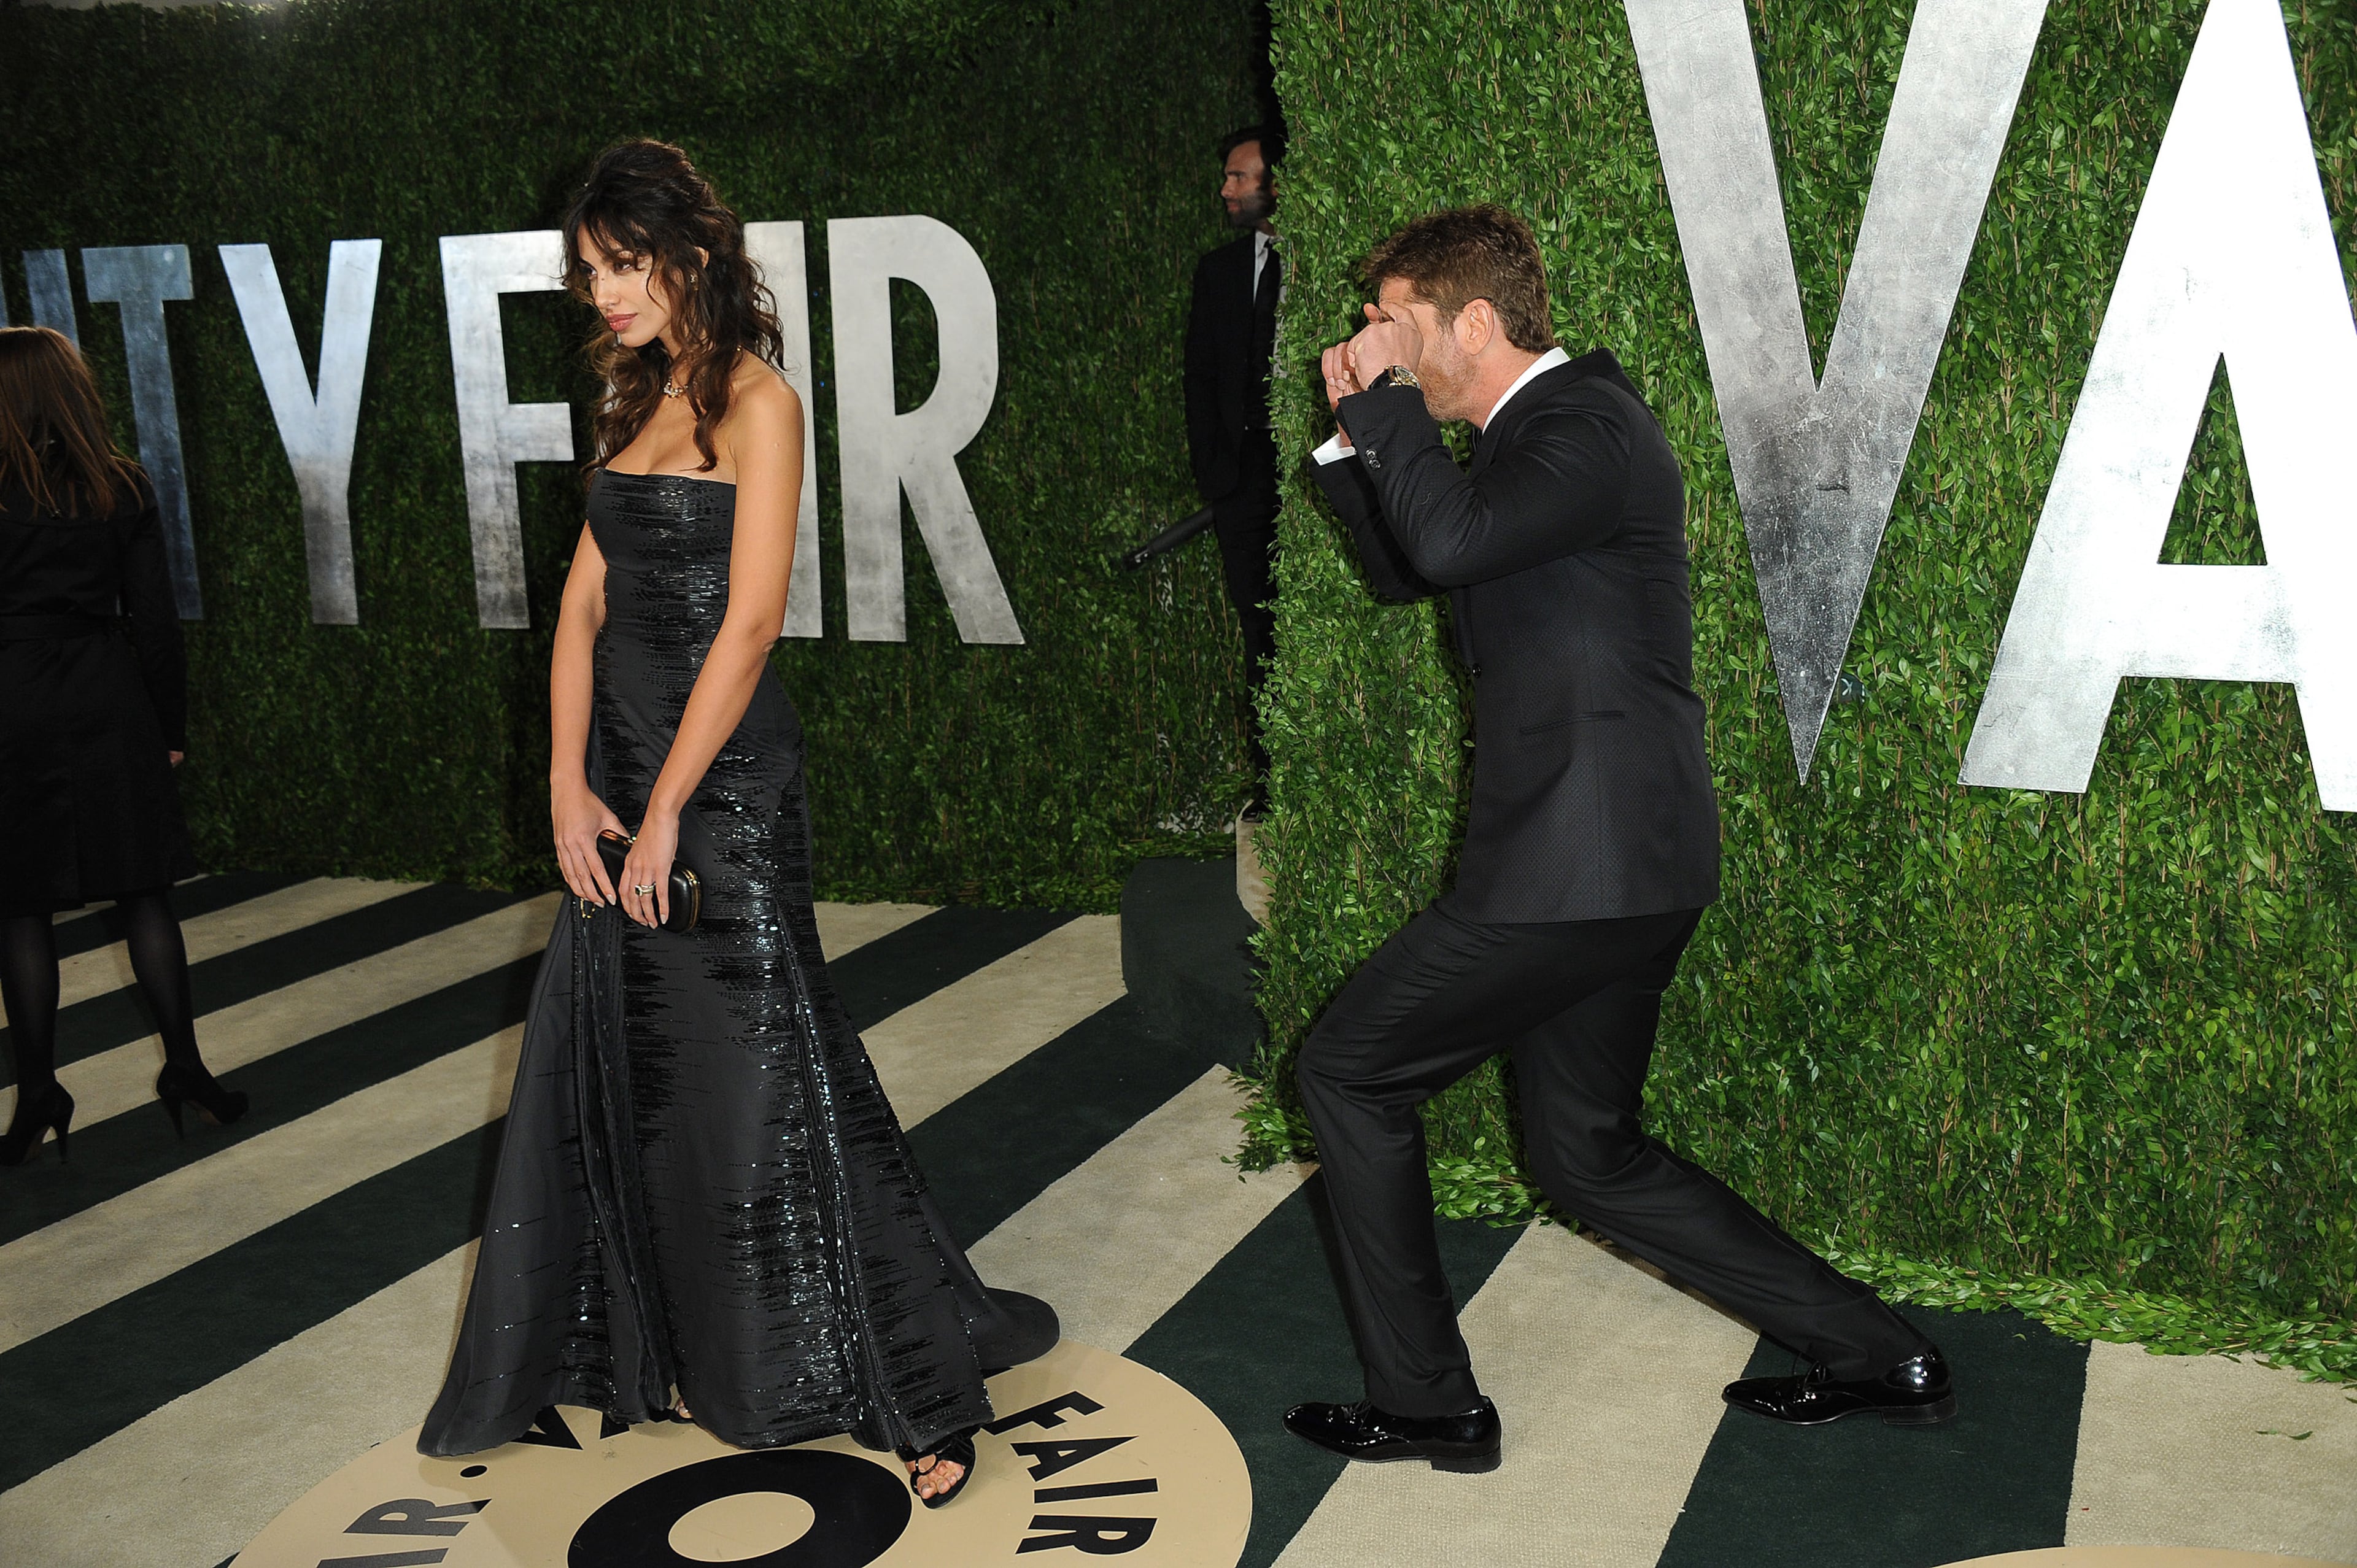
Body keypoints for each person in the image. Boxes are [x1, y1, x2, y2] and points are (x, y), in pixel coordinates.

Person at [420, 141, 1056, 1506]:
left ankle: (910, 1386)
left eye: (622, 266)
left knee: (775, 1066)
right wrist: (565, 780)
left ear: (690, 255)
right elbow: (580, 607)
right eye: (589, 273)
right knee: (656, 1072)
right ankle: (691, 1347)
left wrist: (664, 810)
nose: (603, 293)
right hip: (621, 775)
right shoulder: (632, 399)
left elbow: (753, 621)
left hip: (726, 790)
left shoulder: (763, 404)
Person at [1285, 206, 1951, 1472]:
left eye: (1395, 319)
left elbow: (1449, 539)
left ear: (1474, 324)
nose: (1374, 338)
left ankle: (1428, 1402)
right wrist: (1350, 433)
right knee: (1586, 1154)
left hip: (1570, 870)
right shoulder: (1536, 442)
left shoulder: (1586, 422)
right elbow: (1416, 565)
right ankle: (1881, 1354)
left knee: (1350, 1072)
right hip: (1610, 868)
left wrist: (1388, 406)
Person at [0, 326, 247, 1168]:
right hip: (108, 698)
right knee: (144, 894)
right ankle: (186, 1067)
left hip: (10, 702)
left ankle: (39, 1092)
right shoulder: (120, 485)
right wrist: (167, 730)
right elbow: (155, 622)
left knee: (19, 907)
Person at [1184, 124, 1285, 813]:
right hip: (1240, 478)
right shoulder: (1217, 271)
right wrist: (1214, 469)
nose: (1226, 189)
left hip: (1306, 470)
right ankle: (1272, 780)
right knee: (1258, 629)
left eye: (1238, 177)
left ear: (1276, 182)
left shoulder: (1316, 261)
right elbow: (1198, 378)